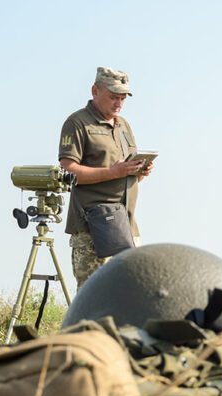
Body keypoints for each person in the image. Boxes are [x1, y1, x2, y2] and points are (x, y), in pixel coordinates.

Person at [58, 66, 154, 289]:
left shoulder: (123, 125)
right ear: (95, 91)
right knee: (95, 298)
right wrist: (114, 172)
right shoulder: (77, 123)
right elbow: (67, 172)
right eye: (113, 97)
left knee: (130, 296)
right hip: (93, 228)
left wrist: (138, 172)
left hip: (126, 227)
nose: (118, 103)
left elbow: (124, 173)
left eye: (122, 98)